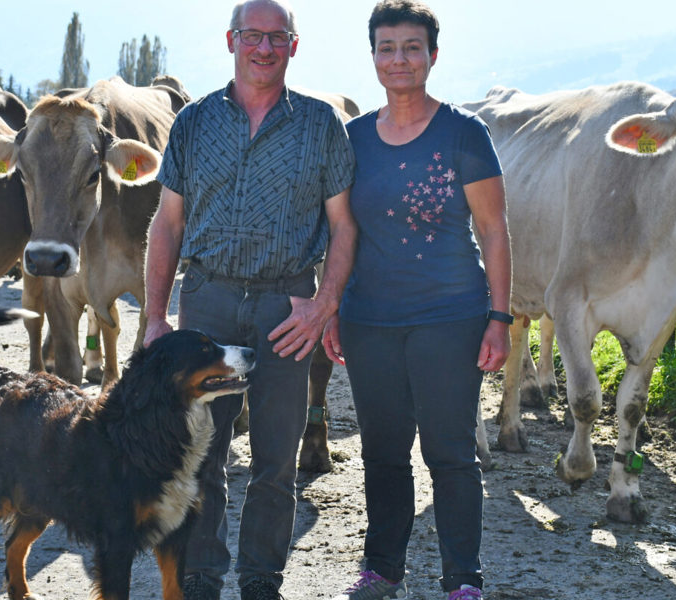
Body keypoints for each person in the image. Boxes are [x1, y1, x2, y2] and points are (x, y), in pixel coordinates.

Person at [142, 0, 357, 598]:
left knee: (275, 460)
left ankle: (262, 579)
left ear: (294, 45)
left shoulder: (321, 125)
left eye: (277, 37)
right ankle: (202, 576)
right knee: (202, 455)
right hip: (206, 302)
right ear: (230, 40)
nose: (264, 48)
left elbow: (344, 228)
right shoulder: (193, 122)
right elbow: (168, 223)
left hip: (285, 306)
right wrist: (156, 317)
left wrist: (322, 305)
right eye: (253, 36)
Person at [323, 2, 510, 599]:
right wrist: (332, 306)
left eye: (411, 47)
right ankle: (382, 568)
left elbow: (494, 230)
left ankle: (463, 579)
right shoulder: (351, 140)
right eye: (386, 47)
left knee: (450, 451)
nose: (398, 59)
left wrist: (499, 318)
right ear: (372, 55)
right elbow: (340, 232)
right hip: (368, 319)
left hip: (449, 318)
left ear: (433, 54)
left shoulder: (464, 133)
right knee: (382, 452)